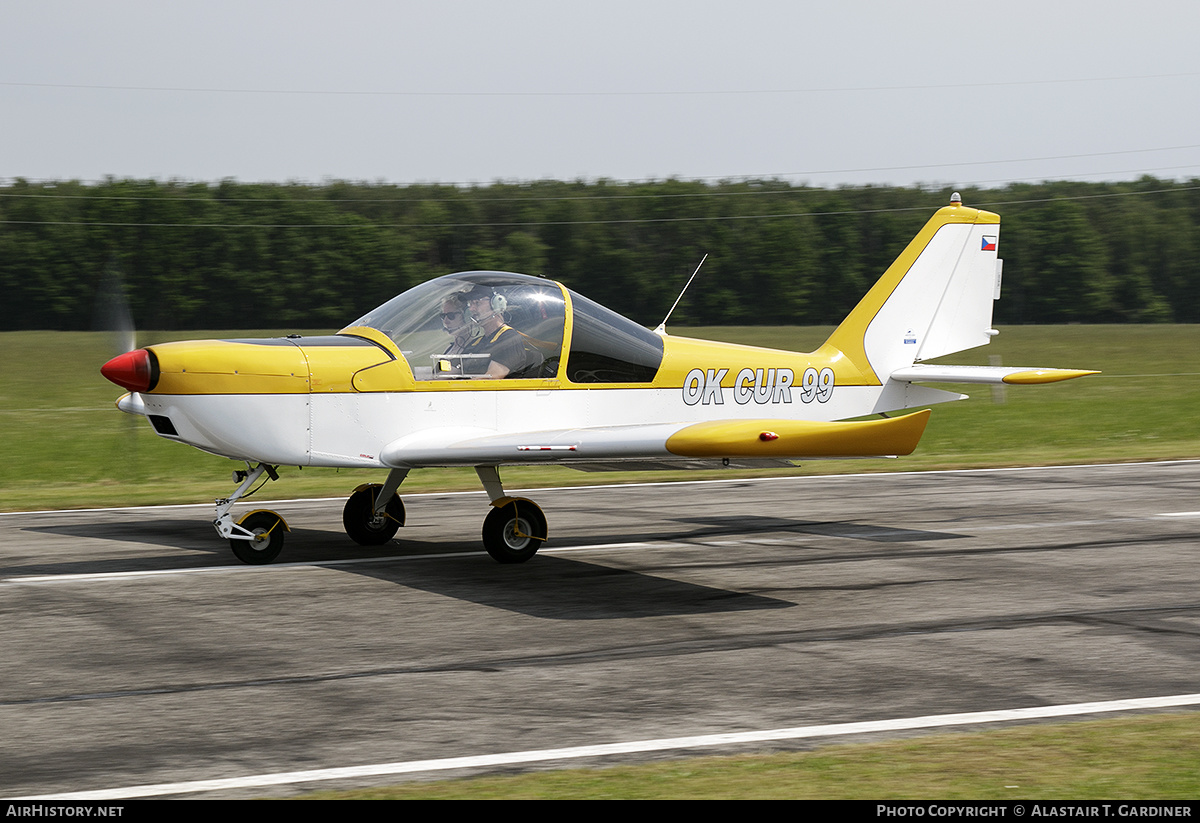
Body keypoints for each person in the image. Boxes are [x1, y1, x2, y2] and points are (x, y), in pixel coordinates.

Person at [461, 285, 536, 378]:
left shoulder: (509, 338)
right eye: (470, 304)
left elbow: (491, 378)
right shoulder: (476, 343)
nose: (471, 309)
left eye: (477, 303)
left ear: (496, 304)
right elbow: (451, 371)